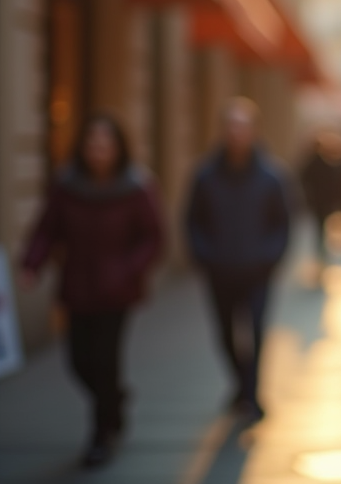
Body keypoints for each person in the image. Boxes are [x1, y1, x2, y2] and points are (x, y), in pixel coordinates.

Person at [20, 115, 163, 468]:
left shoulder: (136, 186)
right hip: (78, 286)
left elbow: (154, 237)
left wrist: (129, 269)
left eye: (105, 143)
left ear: (118, 148)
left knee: (106, 358)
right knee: (78, 360)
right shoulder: (67, 185)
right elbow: (47, 228)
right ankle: (113, 400)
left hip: (117, 292)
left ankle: (101, 435)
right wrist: (31, 264)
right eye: (92, 143)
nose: (98, 151)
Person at [185, 97, 293, 422]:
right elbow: (192, 221)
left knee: (256, 332)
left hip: (257, 271)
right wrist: (205, 256)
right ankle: (241, 385)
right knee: (225, 334)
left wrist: (269, 258)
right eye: (231, 125)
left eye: (243, 126)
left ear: (254, 131)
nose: (237, 133)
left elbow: (283, 222)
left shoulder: (271, 176)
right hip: (220, 272)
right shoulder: (206, 175)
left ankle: (251, 392)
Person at [298, 129, 341, 265]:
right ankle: (321, 253)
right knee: (321, 227)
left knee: (319, 227)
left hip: (317, 201)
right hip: (323, 202)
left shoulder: (312, 164)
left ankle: (320, 253)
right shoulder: (325, 164)